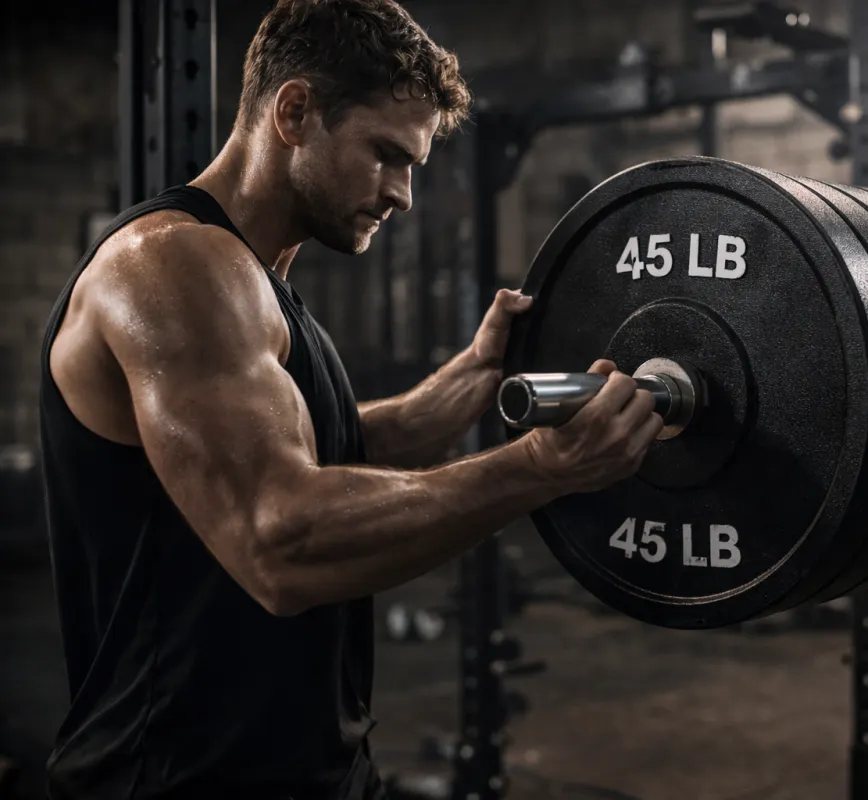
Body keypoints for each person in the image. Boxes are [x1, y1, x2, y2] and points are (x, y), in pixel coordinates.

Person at [38, 1, 663, 798]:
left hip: (311, 772)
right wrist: (541, 468)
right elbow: (280, 538)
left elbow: (326, 448)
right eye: (385, 156)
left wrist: (471, 379)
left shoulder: (261, 282)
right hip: (173, 780)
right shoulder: (173, 268)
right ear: (294, 111)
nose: (402, 195)